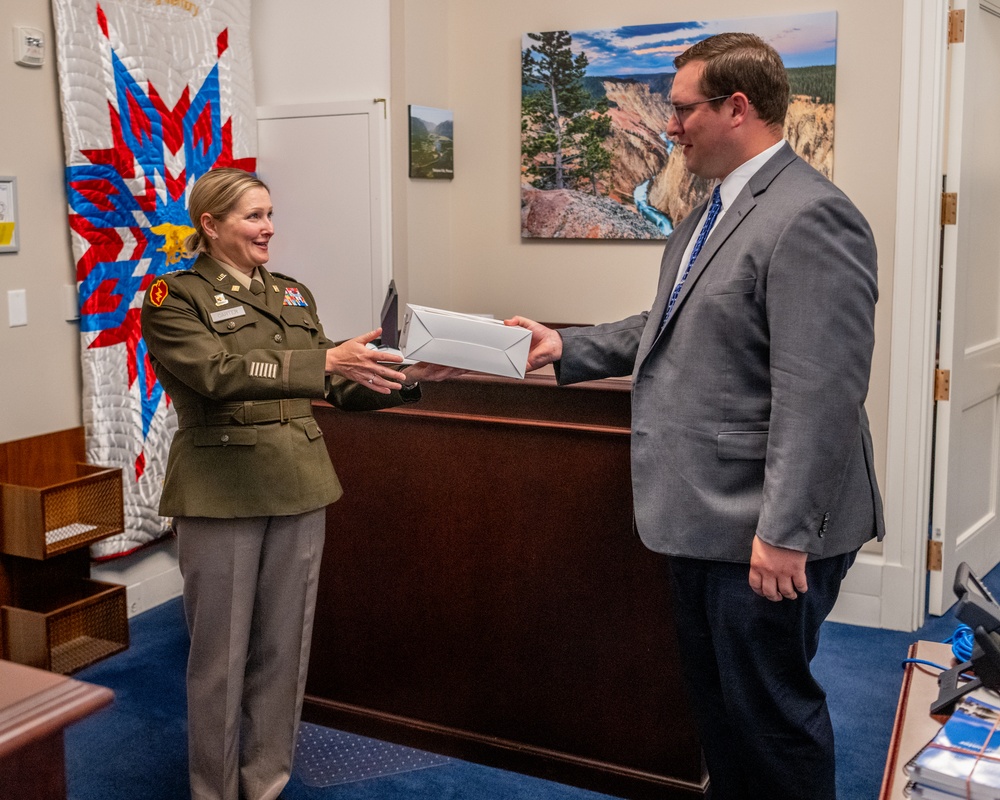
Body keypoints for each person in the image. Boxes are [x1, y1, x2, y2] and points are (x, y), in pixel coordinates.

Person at [506, 33, 884, 800]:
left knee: (770, 720)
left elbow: (821, 394)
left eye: (680, 110)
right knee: (723, 717)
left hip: (761, 527)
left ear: (736, 107)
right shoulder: (718, 204)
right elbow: (672, 319)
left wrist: (784, 534)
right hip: (704, 517)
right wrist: (565, 347)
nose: (668, 126)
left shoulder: (811, 216)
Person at [140, 167, 455, 800]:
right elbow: (217, 373)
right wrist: (326, 358)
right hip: (222, 488)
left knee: (284, 650)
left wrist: (408, 376)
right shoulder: (173, 297)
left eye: (270, 213)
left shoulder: (291, 295)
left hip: (300, 483)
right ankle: (214, 789)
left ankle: (265, 782)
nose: (268, 227)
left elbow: (334, 384)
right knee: (219, 661)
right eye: (253, 216)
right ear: (210, 225)